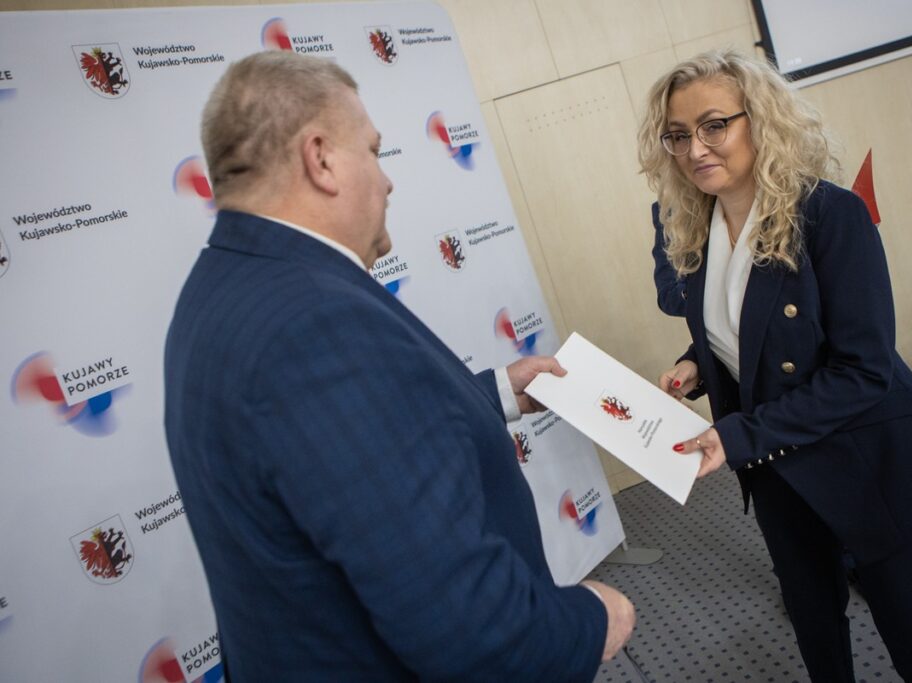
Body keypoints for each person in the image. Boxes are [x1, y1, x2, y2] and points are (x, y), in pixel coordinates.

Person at [164, 51, 634, 682]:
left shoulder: (224, 284)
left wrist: (499, 390)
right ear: (322, 158)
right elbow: (474, 633)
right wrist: (590, 619)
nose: (388, 181)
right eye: (375, 151)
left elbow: (342, 450)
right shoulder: (317, 325)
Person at [638, 49, 912, 682]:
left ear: (760, 120)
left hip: (868, 465)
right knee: (819, 639)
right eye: (678, 135)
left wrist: (735, 434)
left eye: (715, 125)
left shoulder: (828, 215)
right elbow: (743, 331)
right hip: (778, 472)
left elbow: (864, 370)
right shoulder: (692, 225)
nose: (695, 149)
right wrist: (697, 368)